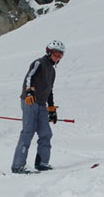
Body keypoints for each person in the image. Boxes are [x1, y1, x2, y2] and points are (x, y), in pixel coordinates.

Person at [11, 40, 65, 174]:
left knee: (46, 133)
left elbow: (49, 90)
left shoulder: (52, 71)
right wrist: (29, 91)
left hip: (41, 104)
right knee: (28, 131)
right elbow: (29, 77)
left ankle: (41, 163)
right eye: (56, 54)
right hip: (30, 101)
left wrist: (51, 108)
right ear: (49, 52)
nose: (58, 57)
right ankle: (18, 166)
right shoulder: (39, 63)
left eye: (60, 55)